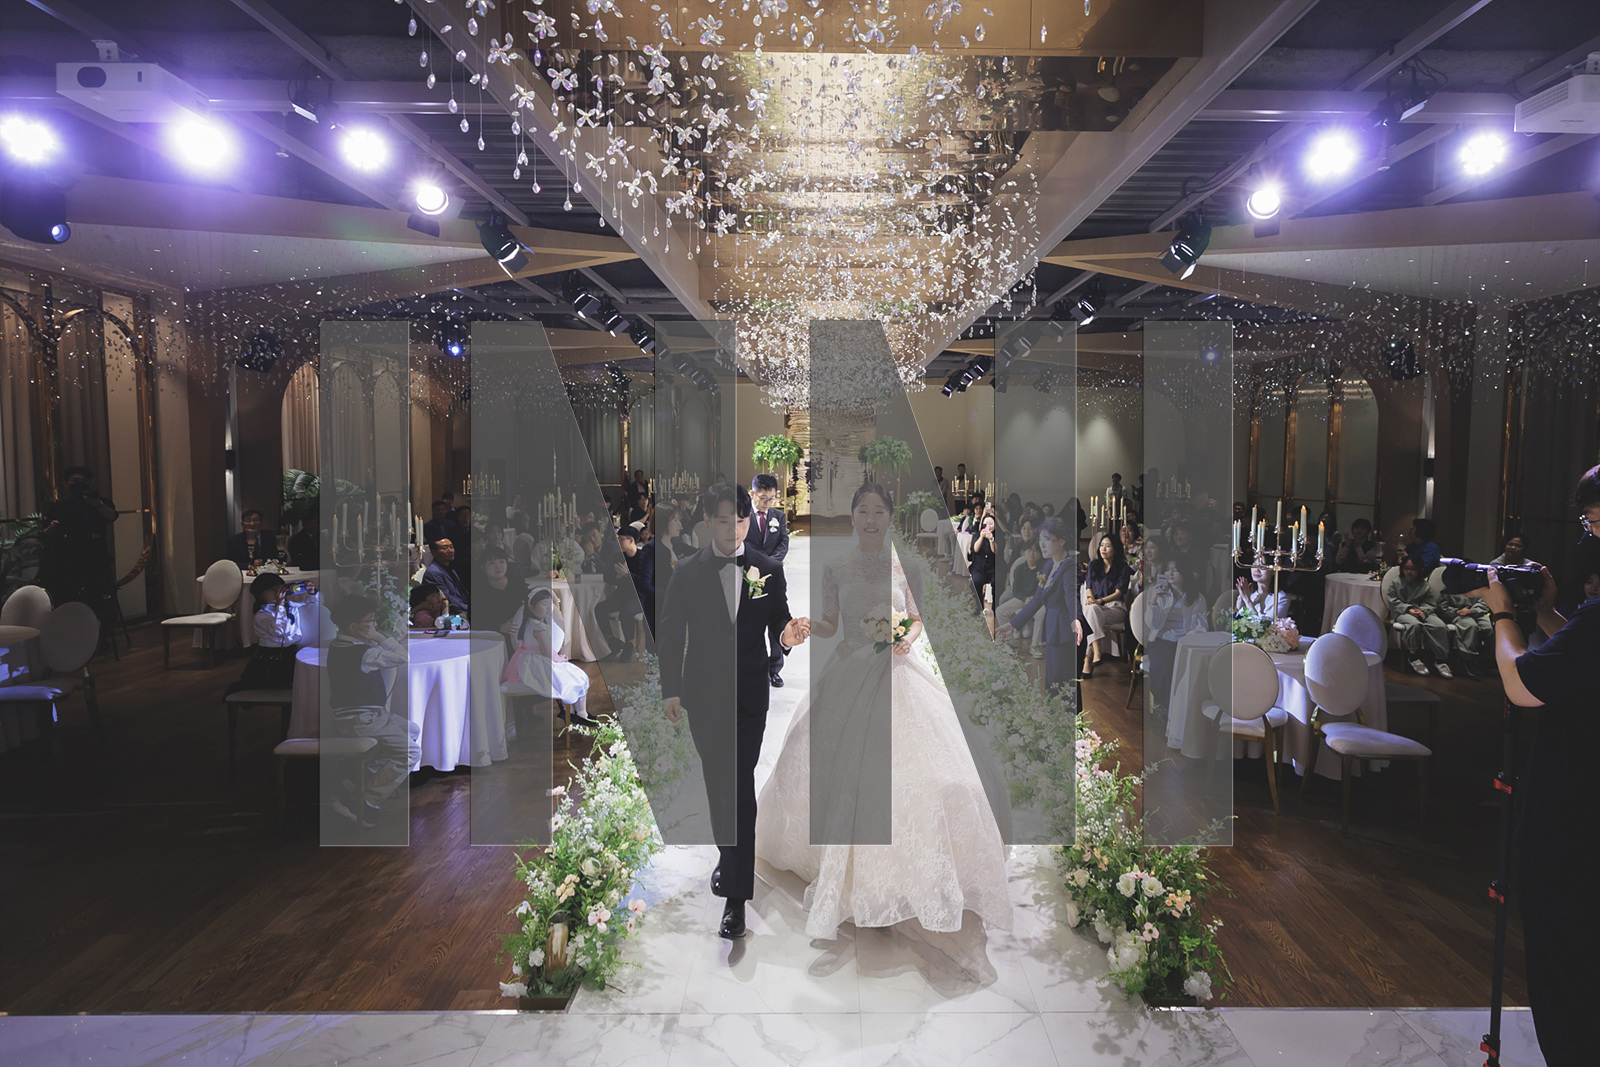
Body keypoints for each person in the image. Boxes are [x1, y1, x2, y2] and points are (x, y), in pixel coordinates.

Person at [755, 481, 1010, 943]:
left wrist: (905, 638)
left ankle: (908, 872)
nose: (871, 519)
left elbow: (916, 616)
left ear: (890, 518)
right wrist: (811, 627)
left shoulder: (905, 564)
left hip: (896, 669)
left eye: (879, 511)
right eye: (863, 511)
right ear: (853, 517)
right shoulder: (836, 566)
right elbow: (831, 622)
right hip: (849, 668)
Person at [1464, 464, 1600, 1067]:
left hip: (1575, 819)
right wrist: (1545, 612)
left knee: (1567, 967)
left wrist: (1502, 614)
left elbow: (1522, 684)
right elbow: (1579, 658)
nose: (1590, 535)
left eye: (1593, 522)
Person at [658, 483, 810, 940]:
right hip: (704, 697)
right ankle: (729, 856)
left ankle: (736, 900)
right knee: (717, 786)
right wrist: (670, 691)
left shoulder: (767, 569)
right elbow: (671, 632)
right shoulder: (687, 571)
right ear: (707, 521)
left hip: (748, 697)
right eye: (723, 521)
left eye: (740, 521)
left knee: (739, 788)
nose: (733, 529)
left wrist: (787, 635)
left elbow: (778, 620)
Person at [325, 595, 423, 831]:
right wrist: (379, 637)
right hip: (361, 719)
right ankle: (364, 801)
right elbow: (403, 657)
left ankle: (358, 776)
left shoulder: (339, 645)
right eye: (371, 621)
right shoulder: (363, 654)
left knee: (411, 730)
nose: (374, 625)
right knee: (411, 752)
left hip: (356, 717)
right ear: (355, 627)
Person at [997, 517, 1086, 695]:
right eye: (1041, 539)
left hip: (1066, 631)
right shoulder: (1048, 566)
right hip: (1053, 630)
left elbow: (1071, 596)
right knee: (1052, 683)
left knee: (1064, 686)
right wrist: (1013, 624)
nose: (1042, 544)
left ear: (1062, 541)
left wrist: (1075, 618)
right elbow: (1038, 598)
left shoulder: (1069, 567)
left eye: (1047, 539)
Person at [504, 588, 593, 723]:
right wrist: (560, 659)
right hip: (537, 664)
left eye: (550, 604)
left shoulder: (529, 623)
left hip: (528, 662)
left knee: (568, 675)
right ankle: (580, 714)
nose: (548, 608)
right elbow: (547, 652)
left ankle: (570, 711)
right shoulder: (540, 628)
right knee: (577, 676)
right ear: (531, 607)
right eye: (544, 604)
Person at [37, 466, 118, 608]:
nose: (79, 484)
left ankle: (103, 620)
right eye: (75, 481)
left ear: (89, 483)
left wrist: (97, 504)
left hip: (95, 555)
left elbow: (112, 516)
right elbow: (46, 534)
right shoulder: (61, 506)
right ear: (67, 483)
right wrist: (51, 528)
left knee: (101, 596)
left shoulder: (100, 502)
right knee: (67, 596)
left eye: (84, 481)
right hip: (68, 556)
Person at [1142, 560, 1208, 714]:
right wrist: (1153, 602)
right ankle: (1165, 705)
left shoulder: (1197, 597)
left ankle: (1184, 706)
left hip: (1186, 641)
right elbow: (1152, 624)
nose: (1170, 573)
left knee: (1187, 667)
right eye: (1167, 569)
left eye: (1175, 570)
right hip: (1161, 639)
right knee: (1164, 665)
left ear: (1185, 573)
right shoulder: (1157, 592)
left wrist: (1188, 639)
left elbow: (1202, 626)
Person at [746, 474, 791, 687]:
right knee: (752, 623)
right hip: (749, 575)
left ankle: (775, 669)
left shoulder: (778, 516)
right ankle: (754, 668)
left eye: (771, 499)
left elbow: (783, 542)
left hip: (773, 576)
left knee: (776, 621)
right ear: (752, 494)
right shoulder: (742, 516)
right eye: (763, 498)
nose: (768, 503)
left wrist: (771, 564)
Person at [224, 573, 302, 694]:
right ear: (260, 594)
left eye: (280, 589)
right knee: (258, 685)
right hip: (269, 658)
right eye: (272, 589)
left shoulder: (289, 606)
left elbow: (313, 602)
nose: (277, 593)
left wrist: (312, 591)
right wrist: (280, 605)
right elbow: (279, 631)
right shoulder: (261, 615)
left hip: (289, 653)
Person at [1383, 554, 1451, 677]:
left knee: (1439, 626)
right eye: (1406, 568)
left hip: (1423, 612)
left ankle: (1440, 660)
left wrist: (1423, 610)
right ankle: (1413, 656)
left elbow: (1430, 602)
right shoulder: (1396, 583)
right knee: (1413, 624)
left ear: (1420, 570)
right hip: (1403, 612)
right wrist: (1408, 609)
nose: (1409, 572)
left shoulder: (1424, 585)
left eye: (1413, 569)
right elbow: (1393, 601)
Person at [598, 523, 654, 662]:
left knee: (626, 612)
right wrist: (617, 578)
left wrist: (628, 576)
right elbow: (606, 576)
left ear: (631, 540)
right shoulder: (618, 556)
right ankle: (613, 642)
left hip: (639, 597)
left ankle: (629, 645)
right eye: (618, 538)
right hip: (621, 596)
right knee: (599, 608)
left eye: (621, 539)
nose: (618, 542)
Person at [1081, 533, 1130, 678]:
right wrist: (1092, 600)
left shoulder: (1123, 567)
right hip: (1096, 608)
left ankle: (1089, 658)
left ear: (1115, 548)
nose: (1103, 549)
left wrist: (1100, 601)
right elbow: (1088, 587)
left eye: (1108, 546)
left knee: (1089, 616)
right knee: (1091, 611)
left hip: (1115, 608)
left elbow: (1118, 593)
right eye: (1102, 545)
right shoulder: (1093, 565)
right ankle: (1095, 652)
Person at [472, 547, 525, 642]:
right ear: (482, 567)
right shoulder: (478, 591)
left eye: (502, 562)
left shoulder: (517, 583)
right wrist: (499, 627)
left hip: (519, 632)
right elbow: (475, 620)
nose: (498, 567)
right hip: (492, 637)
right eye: (492, 563)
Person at [995, 540, 1044, 640]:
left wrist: (1034, 598)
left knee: (1041, 614)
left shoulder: (1042, 570)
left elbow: (1043, 588)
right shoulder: (1019, 569)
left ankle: (1035, 644)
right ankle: (1010, 641)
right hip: (1022, 599)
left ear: (1040, 555)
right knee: (1000, 611)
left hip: (1038, 601)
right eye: (1029, 550)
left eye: (1035, 551)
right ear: (1023, 553)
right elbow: (1016, 590)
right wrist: (1025, 598)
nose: (1031, 553)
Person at [422, 538, 470, 617]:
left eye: (451, 547)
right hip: (452, 613)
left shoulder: (450, 568)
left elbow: (462, 592)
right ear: (433, 553)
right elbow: (446, 598)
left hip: (462, 607)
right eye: (445, 548)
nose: (450, 550)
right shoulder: (433, 573)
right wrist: (468, 609)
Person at [966, 514, 998, 616]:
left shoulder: (998, 536)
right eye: (986, 523)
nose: (988, 526)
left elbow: (995, 551)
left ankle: (995, 607)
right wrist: (981, 537)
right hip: (979, 567)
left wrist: (991, 539)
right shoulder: (977, 534)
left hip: (993, 567)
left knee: (997, 581)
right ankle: (979, 605)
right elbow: (975, 549)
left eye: (991, 523)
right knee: (976, 581)